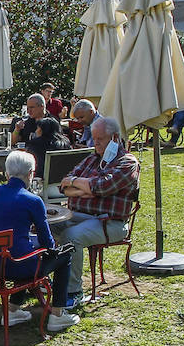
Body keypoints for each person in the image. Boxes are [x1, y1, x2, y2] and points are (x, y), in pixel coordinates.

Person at [0, 151, 80, 331]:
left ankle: (12, 311)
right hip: (18, 266)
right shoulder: (33, 201)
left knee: (21, 250)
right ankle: (58, 315)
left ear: (6, 173)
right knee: (63, 257)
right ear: (30, 174)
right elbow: (48, 243)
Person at [56, 116, 142, 309]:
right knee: (48, 226)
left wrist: (82, 185)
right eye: (94, 138)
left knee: (71, 236)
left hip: (110, 223)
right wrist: (85, 187)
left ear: (114, 138)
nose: (95, 143)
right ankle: (48, 280)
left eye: (100, 139)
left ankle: (73, 291)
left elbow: (103, 186)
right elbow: (64, 185)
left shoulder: (127, 162)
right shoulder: (93, 158)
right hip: (82, 215)